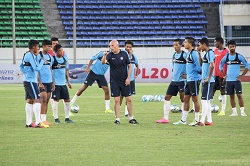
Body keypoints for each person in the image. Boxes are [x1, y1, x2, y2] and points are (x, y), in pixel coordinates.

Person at [102, 40, 139, 124]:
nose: (111, 47)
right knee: (117, 100)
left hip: (124, 80)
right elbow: (103, 62)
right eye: (110, 46)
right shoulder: (110, 55)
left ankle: (131, 118)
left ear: (117, 45)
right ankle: (117, 119)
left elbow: (129, 66)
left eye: (112, 45)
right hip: (114, 81)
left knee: (129, 99)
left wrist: (128, 78)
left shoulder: (124, 54)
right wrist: (104, 56)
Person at [156, 38, 187, 123]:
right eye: (174, 45)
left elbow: (191, 65)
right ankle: (165, 118)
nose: (175, 47)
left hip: (182, 81)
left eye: (177, 45)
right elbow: (174, 66)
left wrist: (187, 75)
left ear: (181, 45)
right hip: (174, 80)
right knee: (167, 97)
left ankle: (183, 119)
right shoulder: (174, 55)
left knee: (183, 98)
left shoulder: (185, 55)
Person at [19, 39, 49, 128]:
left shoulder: (27, 55)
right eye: (37, 47)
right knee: (37, 99)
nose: (38, 48)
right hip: (31, 81)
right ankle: (38, 122)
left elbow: (21, 65)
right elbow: (36, 68)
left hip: (28, 80)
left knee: (30, 100)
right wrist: (42, 61)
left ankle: (28, 123)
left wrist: (26, 73)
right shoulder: (30, 55)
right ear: (34, 47)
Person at [173, 37, 202, 126]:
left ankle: (197, 120)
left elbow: (199, 67)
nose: (184, 44)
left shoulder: (194, 54)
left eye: (185, 42)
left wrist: (196, 75)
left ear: (190, 44)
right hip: (189, 80)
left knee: (195, 99)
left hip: (194, 80)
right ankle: (183, 120)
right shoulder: (189, 53)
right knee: (186, 99)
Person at [219, 40, 249, 117]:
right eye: (230, 47)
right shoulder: (226, 57)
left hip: (236, 80)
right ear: (228, 48)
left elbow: (247, 66)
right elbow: (220, 66)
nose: (232, 48)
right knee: (231, 96)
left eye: (233, 46)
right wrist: (224, 75)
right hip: (229, 80)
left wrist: (242, 76)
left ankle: (242, 112)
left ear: (235, 47)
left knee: (239, 95)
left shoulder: (239, 56)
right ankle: (234, 112)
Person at [51, 44, 74, 123]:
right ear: (56, 51)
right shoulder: (53, 59)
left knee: (67, 100)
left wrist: (68, 82)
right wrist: (52, 82)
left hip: (63, 84)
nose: (61, 52)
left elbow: (66, 71)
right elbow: (50, 71)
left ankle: (67, 118)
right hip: (56, 84)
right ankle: (56, 118)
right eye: (59, 50)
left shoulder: (65, 59)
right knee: (56, 100)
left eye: (62, 50)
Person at [196, 37, 215, 126]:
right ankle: (209, 121)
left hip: (208, 81)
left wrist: (208, 77)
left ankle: (202, 121)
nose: (199, 47)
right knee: (207, 101)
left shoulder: (210, 53)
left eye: (199, 45)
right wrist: (199, 54)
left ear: (204, 44)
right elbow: (201, 64)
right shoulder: (206, 54)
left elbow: (212, 66)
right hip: (206, 81)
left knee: (204, 100)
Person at [37, 39, 54, 125]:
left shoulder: (50, 57)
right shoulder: (38, 56)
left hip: (49, 81)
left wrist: (53, 83)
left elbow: (50, 70)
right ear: (43, 46)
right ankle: (40, 119)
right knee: (42, 99)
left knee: (46, 100)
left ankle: (44, 119)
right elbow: (36, 71)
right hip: (42, 82)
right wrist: (39, 83)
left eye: (51, 46)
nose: (50, 48)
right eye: (49, 46)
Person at [120, 40, 139, 117]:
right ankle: (117, 111)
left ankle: (126, 112)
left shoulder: (134, 57)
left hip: (130, 80)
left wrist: (136, 74)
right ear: (124, 47)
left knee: (129, 97)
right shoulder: (121, 55)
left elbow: (137, 65)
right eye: (127, 47)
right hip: (122, 79)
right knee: (120, 96)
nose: (128, 48)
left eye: (130, 47)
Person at [213, 36, 228, 116]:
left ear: (220, 42)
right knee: (212, 91)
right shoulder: (215, 51)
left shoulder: (226, 52)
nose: (214, 43)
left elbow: (228, 64)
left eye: (216, 42)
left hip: (223, 75)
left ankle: (223, 110)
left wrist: (226, 76)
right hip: (216, 75)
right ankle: (208, 108)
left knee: (222, 91)